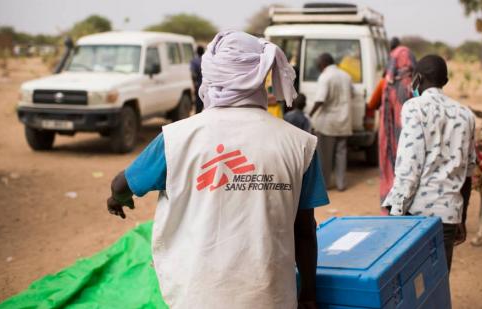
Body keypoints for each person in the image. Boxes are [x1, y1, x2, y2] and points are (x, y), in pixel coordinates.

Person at [106, 31, 329, 309]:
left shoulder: (176, 138)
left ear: (210, 77)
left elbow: (122, 184)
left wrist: (118, 198)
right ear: (261, 76)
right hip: (270, 298)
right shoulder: (301, 144)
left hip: (196, 296)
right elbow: (304, 230)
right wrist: (308, 294)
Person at [382, 55, 476, 272]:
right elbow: (468, 174)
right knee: (437, 285)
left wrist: (395, 215)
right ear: (446, 81)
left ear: (417, 79)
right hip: (448, 216)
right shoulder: (466, 114)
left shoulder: (414, 107)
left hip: (416, 217)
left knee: (411, 284)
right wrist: (462, 217)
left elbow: (409, 167)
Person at [379, 37, 416, 212]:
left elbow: (388, 77)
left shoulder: (393, 59)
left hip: (391, 117)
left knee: (391, 148)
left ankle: (392, 194)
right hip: (406, 123)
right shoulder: (408, 55)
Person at [309, 53, 353, 191]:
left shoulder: (325, 77)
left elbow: (320, 99)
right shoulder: (346, 76)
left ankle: (326, 184)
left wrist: (309, 115)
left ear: (323, 64)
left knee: (325, 156)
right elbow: (353, 93)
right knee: (341, 154)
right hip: (344, 121)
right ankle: (341, 184)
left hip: (328, 122)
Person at [190, 45, 204, 113]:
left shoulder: (194, 61)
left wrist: (194, 83)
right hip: (207, 84)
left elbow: (193, 74)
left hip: (198, 84)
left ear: (197, 52)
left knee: (198, 105)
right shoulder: (206, 59)